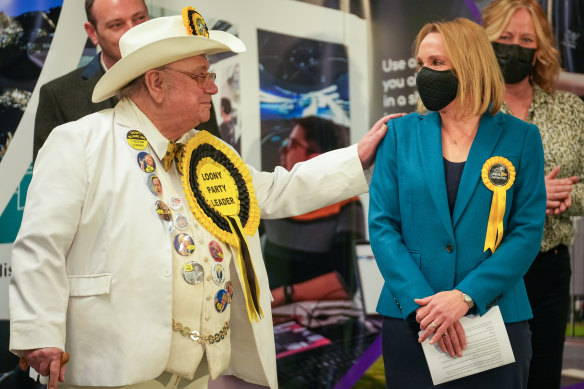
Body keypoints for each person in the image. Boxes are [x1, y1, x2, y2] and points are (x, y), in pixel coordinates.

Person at [9, 8, 395, 389]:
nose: (212, 86)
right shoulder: (79, 141)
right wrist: (39, 332)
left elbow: (275, 191)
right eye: (200, 76)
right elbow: (41, 245)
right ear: (157, 82)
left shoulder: (203, 150)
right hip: (112, 366)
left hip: (196, 373)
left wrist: (357, 157)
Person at [369, 17, 546, 388]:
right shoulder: (398, 134)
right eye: (420, 63)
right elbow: (383, 226)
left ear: (469, 64)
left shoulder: (522, 138)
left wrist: (465, 297)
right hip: (414, 321)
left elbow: (526, 232)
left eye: (436, 63)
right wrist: (428, 309)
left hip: (495, 317)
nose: (423, 73)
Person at [482, 1, 584, 388]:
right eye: (505, 38)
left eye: (526, 39)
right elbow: (450, 187)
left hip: (548, 271)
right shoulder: (466, 107)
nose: (515, 47)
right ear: (485, 40)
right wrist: (531, 195)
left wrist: (564, 198)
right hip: (482, 267)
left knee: (542, 378)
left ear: (540, 48)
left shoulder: (571, 110)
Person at [32, 0, 220, 163]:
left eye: (139, 18)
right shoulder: (59, 96)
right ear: (92, 33)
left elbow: (214, 160)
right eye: (116, 25)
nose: (134, 31)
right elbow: (53, 182)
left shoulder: (190, 85)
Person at [262, 116, 365, 294]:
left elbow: (346, 282)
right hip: (274, 315)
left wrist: (283, 295)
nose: (282, 149)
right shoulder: (272, 197)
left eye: (293, 144)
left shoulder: (347, 204)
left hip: (326, 316)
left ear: (315, 158)